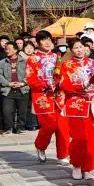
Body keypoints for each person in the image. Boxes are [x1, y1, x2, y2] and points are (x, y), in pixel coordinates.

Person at [56, 37, 94, 180]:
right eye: (75, 48)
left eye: (81, 47)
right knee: (79, 138)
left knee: (93, 138)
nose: (79, 50)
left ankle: (88, 167)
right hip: (76, 105)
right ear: (71, 50)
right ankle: (76, 164)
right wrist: (80, 86)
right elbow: (64, 84)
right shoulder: (66, 65)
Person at [26, 31, 69, 164]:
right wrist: (45, 85)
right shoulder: (33, 59)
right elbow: (30, 79)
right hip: (42, 97)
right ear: (38, 43)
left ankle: (63, 154)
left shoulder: (58, 57)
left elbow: (65, 74)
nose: (47, 42)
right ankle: (40, 145)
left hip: (59, 95)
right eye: (43, 40)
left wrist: (62, 83)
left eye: (49, 40)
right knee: (50, 125)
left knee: (63, 126)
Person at [0, 41, 29, 134]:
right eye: (6, 49)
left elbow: (30, 73)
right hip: (8, 89)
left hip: (22, 89)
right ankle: (8, 128)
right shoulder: (1, 62)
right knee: (7, 110)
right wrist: (8, 83)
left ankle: (20, 128)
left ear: (15, 50)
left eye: (9, 49)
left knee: (22, 111)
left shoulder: (25, 61)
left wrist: (22, 83)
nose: (7, 51)